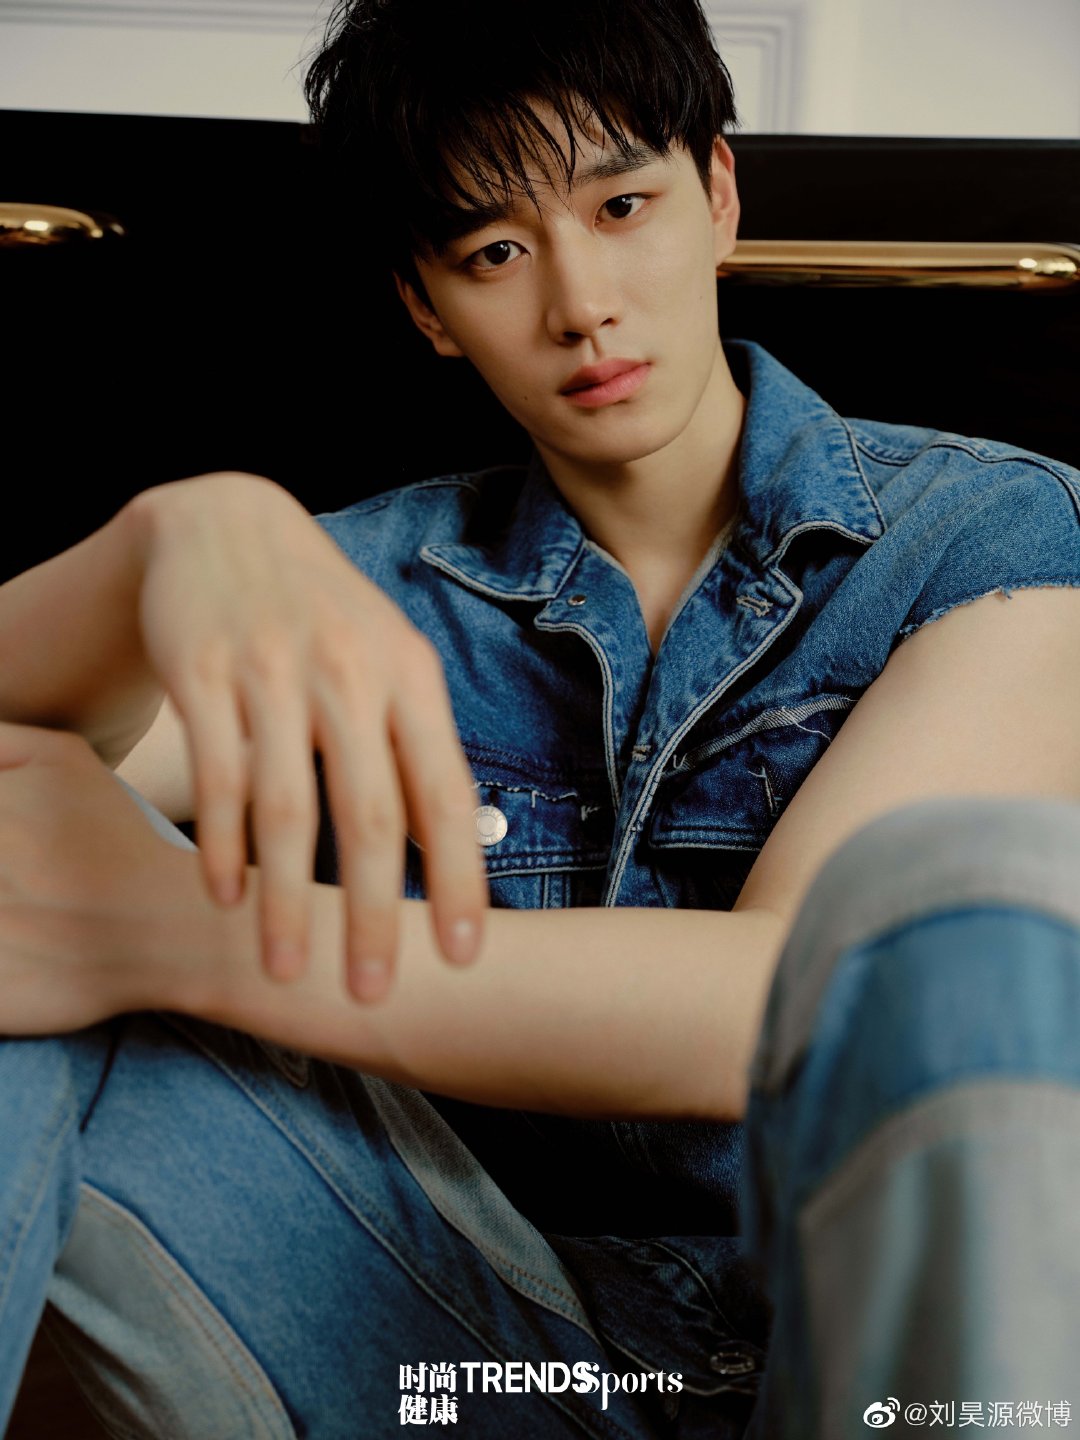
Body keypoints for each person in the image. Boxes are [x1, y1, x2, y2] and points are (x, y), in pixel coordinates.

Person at [2, 0, 1079, 1435]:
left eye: (622, 207)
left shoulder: (993, 530)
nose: (580, 305)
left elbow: (788, 1007)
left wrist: (179, 933)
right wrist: (152, 549)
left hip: (867, 1365)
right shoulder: (351, 585)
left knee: (981, 913)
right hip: (464, 1353)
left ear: (719, 195)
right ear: (426, 307)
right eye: (494, 253)